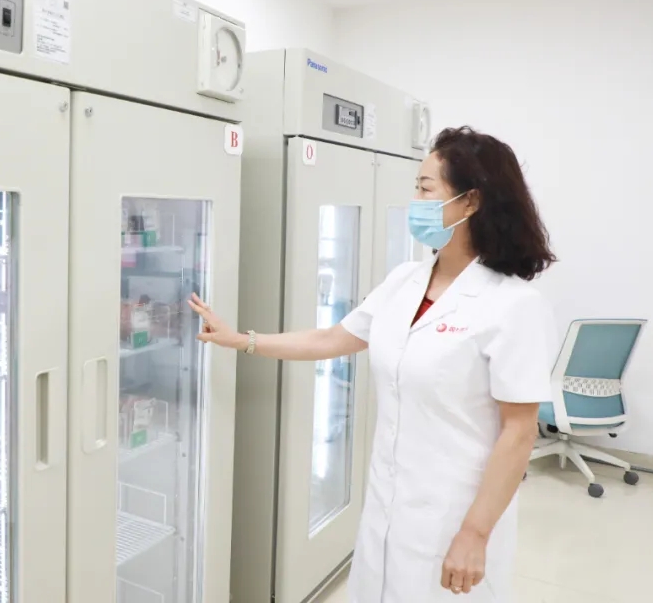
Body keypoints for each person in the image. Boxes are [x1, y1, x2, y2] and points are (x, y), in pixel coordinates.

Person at [190, 126, 558, 602]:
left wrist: (475, 533)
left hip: (455, 511)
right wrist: (243, 340)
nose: (415, 201)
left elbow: (519, 433)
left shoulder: (513, 306)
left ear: (470, 202)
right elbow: (333, 338)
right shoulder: (406, 280)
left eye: (426, 189)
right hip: (387, 502)